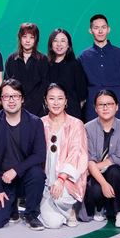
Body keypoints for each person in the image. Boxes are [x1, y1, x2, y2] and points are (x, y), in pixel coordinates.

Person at [0, 79, 46, 230]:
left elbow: (39, 155)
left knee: (37, 173)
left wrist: (16, 170)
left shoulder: (35, 122)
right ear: (1, 99)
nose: (11, 100)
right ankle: (11, 207)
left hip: (24, 177)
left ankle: (31, 214)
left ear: (22, 99)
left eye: (15, 96)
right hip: (2, 179)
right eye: (6, 96)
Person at [39, 83, 88, 229]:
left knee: (60, 199)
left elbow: (76, 153)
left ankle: (70, 209)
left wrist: (61, 179)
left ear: (66, 101)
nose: (56, 102)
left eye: (60, 98)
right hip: (46, 181)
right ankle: (53, 207)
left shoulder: (76, 124)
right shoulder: (40, 123)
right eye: (51, 98)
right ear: (46, 101)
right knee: (52, 224)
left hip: (67, 180)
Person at [83, 90, 120, 228]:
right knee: (96, 189)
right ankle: (100, 207)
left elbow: (119, 158)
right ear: (95, 108)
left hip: (116, 175)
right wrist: (103, 183)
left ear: (117, 106)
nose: (105, 108)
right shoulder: (87, 128)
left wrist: (93, 168)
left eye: (109, 104)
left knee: (114, 170)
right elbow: (90, 159)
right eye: (101, 105)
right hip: (96, 174)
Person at [78, 14, 120, 121]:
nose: (100, 31)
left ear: (108, 29)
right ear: (90, 31)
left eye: (103, 27)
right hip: (93, 107)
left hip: (117, 107)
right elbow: (81, 85)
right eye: (96, 28)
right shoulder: (83, 57)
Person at [4, 23, 49, 117]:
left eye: (32, 37)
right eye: (24, 36)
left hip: (37, 109)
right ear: (20, 38)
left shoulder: (42, 59)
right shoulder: (11, 59)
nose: (28, 40)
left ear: (36, 39)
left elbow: (44, 86)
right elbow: (7, 85)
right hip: (15, 107)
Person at [46, 28, 87, 120]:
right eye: (55, 41)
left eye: (63, 41)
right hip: (50, 115)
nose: (59, 44)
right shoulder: (45, 65)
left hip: (72, 114)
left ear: (68, 45)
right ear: (51, 44)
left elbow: (82, 96)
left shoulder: (75, 65)